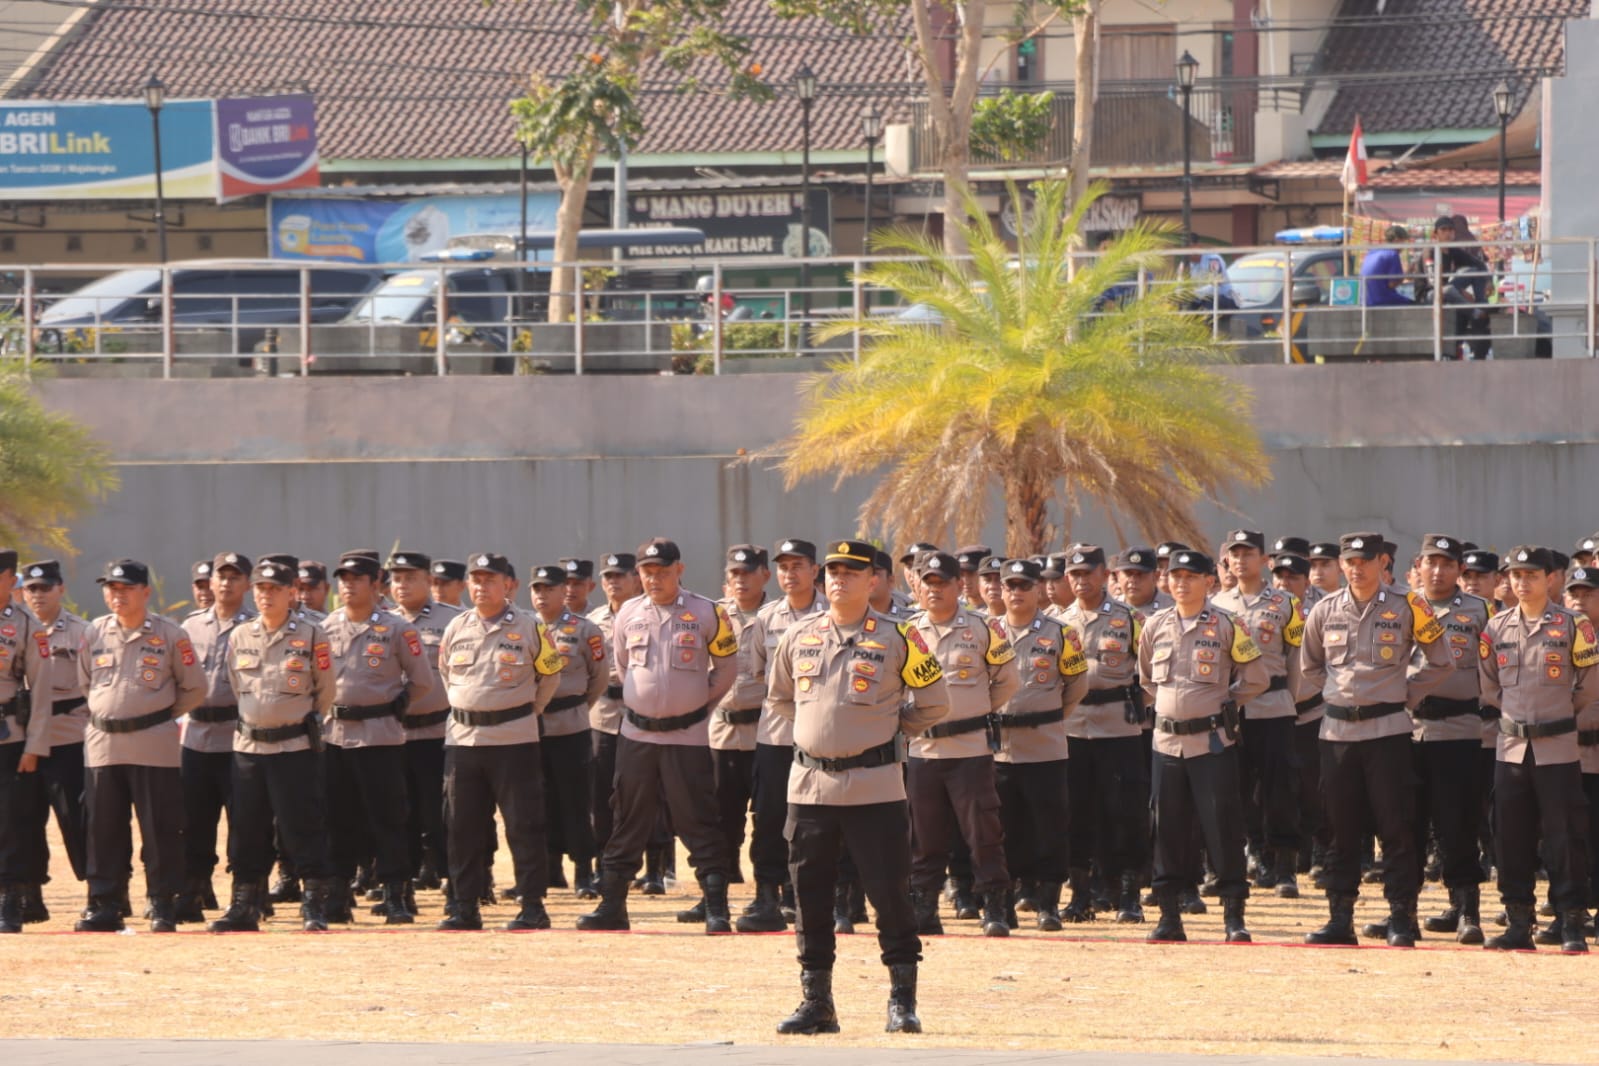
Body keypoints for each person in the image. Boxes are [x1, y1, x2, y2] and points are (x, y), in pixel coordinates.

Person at [768, 539, 949, 1036]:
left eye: (851, 572)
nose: (839, 580)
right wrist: (822, 733)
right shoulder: (799, 635)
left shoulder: (900, 637)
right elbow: (781, 698)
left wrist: (887, 731)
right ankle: (817, 1003)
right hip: (810, 788)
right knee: (809, 897)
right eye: (833, 572)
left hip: (875, 788)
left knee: (889, 894)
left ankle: (902, 1000)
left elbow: (935, 702)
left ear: (873, 581)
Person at [578, 537, 740, 935]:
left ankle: (716, 908)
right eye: (647, 572)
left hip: (687, 737)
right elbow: (622, 666)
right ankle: (612, 905)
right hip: (637, 736)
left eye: (662, 571)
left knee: (698, 818)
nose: (654, 579)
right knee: (627, 818)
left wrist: (697, 706)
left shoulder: (707, 612)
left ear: (679, 570)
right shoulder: (628, 613)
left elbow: (726, 669)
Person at [1298, 532, 1452, 948]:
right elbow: (1310, 666)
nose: (1356, 568)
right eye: (1349, 561)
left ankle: (1401, 916)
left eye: (1364, 560)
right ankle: (1340, 918)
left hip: (1387, 732)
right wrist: (1339, 694)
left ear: (1382, 562)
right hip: (1337, 734)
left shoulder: (1409, 605)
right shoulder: (1325, 609)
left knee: (1396, 827)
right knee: (1340, 828)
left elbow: (1441, 661)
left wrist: (1404, 694)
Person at [1138, 549, 1270, 943]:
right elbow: (1146, 680)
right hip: (1166, 744)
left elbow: (1256, 678)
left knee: (1222, 827)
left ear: (1209, 582)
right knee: (1167, 829)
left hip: (1211, 743)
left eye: (1190, 576)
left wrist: (1225, 706)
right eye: (1174, 576)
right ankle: (1169, 917)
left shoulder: (1229, 625)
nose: (1180, 583)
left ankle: (1233, 916)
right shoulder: (1154, 625)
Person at [209, 555, 340, 932]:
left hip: (294, 748)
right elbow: (238, 685)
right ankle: (245, 905)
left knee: (302, 825)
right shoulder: (241, 635)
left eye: (274, 589)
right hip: (249, 749)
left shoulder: (312, 635)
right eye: (261, 588)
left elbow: (325, 692)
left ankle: (314, 904)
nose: (265, 595)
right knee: (246, 828)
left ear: (292, 592)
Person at [74, 559, 205, 933]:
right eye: (111, 588)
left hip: (153, 746)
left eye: (126, 588)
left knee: (161, 829)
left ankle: (162, 903)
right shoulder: (95, 632)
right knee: (103, 830)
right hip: (103, 746)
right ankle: (105, 904)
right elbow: (86, 683)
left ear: (145, 592)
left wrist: (155, 716)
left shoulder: (170, 634)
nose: (117, 595)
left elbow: (195, 687)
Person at [436, 552, 564, 931]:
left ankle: (532, 906)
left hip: (513, 740)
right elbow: (446, 674)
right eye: (475, 579)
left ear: (507, 585)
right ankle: (464, 907)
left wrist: (525, 712)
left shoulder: (531, 627)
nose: (481, 586)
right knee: (462, 827)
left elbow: (551, 676)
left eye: (489, 579)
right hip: (463, 741)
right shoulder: (456, 626)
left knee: (524, 826)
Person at [1478, 546, 1598, 952]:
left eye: (1531, 575)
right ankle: (1518, 922)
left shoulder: (1574, 625)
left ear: (1549, 579)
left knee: (1566, 836)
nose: (1522, 582)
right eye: (1516, 575)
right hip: (1511, 748)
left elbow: (1589, 685)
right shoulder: (1496, 627)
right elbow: (1488, 685)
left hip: (1558, 748)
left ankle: (1571, 922)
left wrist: (1558, 714)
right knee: (1510, 837)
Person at [905, 550, 1020, 937]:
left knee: (984, 833)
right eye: (928, 583)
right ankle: (925, 908)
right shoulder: (907, 631)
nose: (934, 590)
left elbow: (1007, 681)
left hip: (970, 749)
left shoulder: (984, 628)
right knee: (924, 836)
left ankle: (995, 907)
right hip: (923, 750)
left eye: (943, 583)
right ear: (918, 587)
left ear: (959, 585)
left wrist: (975, 711)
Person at [320, 551, 434, 925]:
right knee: (337, 818)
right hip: (335, 735)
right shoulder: (326, 628)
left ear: (375, 584)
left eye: (357, 579)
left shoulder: (396, 629)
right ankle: (337, 894)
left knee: (388, 818)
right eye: (344, 579)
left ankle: (395, 893)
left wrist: (396, 706)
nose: (348, 586)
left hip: (380, 736)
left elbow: (422, 681)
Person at [992, 558, 1088, 930]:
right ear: (1002, 591)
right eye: (1010, 585)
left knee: (1050, 827)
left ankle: (1048, 904)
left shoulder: (1062, 633)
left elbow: (1076, 686)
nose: (1016, 592)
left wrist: (1047, 714)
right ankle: (1004, 904)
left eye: (1024, 585)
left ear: (1038, 590)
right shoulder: (988, 632)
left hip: (1045, 747)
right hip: (999, 748)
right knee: (1002, 829)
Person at [1057, 545, 1149, 923]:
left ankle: (1128, 896)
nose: (1081, 580)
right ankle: (1080, 896)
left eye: (1088, 573)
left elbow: (1150, 673)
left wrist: (1135, 706)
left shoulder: (1130, 619)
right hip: (1073, 730)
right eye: (1074, 574)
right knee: (1076, 814)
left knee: (1125, 814)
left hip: (1118, 729)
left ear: (1104, 575)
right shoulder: (1058, 623)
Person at [1213, 530, 1307, 897]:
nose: (1240, 561)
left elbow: (1296, 659)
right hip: (1232, 710)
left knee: (1279, 789)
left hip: (1274, 708)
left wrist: (1288, 700)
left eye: (1248, 554)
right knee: (1235, 789)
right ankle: (1255, 855)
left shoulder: (1287, 604)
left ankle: (1285, 866)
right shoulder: (1217, 604)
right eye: (1234, 554)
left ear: (1265, 561)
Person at [177, 551, 255, 923]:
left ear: (248, 585)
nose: (226, 583)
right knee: (194, 819)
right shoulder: (190, 627)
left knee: (244, 821)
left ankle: (245, 894)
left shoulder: (255, 627)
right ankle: (193, 890)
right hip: (196, 737)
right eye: (221, 577)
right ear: (210, 582)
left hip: (238, 737)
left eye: (235, 577)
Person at [528, 563, 609, 900]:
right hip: (530, 728)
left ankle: (583, 872)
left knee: (575, 801)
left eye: (550, 589)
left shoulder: (585, 629)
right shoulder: (524, 627)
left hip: (571, 726)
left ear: (564, 592)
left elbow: (599, 679)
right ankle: (549, 870)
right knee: (537, 801)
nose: (542, 595)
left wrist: (577, 707)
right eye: (537, 589)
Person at [386, 551, 461, 902]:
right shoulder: (382, 621)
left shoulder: (453, 620)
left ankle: (453, 881)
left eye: (410, 578)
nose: (402, 585)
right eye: (396, 579)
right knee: (399, 813)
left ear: (429, 581)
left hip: (437, 733)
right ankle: (403, 886)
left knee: (440, 812)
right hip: (393, 733)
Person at [17, 560, 88, 926]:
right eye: (31, 588)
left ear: (61, 589)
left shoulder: (82, 632)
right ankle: (29, 894)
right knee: (24, 819)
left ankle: (102, 890)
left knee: (77, 817)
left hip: (67, 736)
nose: (38, 595)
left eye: (45, 587)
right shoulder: (14, 629)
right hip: (23, 738)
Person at [701, 544, 768, 916]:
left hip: (767, 733)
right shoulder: (713, 616)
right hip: (722, 733)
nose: (740, 580)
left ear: (765, 576)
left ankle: (769, 895)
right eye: (734, 574)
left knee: (768, 818)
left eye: (748, 573)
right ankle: (714, 897)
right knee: (720, 818)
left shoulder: (778, 616)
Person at [0, 550, 51, 934]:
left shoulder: (26, 625)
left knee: (10, 822)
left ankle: (9, 899)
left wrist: (35, 745)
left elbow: (42, 690)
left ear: (9, 579)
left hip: (9, 737)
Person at [586, 552, 638, 872]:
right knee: (601, 792)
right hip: (603, 714)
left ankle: (652, 866)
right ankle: (603, 861)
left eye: (620, 575)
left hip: (639, 714)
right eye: (608, 576)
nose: (614, 582)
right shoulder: (592, 621)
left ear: (635, 579)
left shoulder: (647, 615)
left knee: (642, 791)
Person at [1360, 225, 1415, 307]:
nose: (1404, 247)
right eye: (1403, 242)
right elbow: (1392, 284)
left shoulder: (1372, 251)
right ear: (1397, 240)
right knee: (1415, 304)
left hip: (1364, 300)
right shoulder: (1392, 253)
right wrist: (1407, 275)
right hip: (1381, 300)